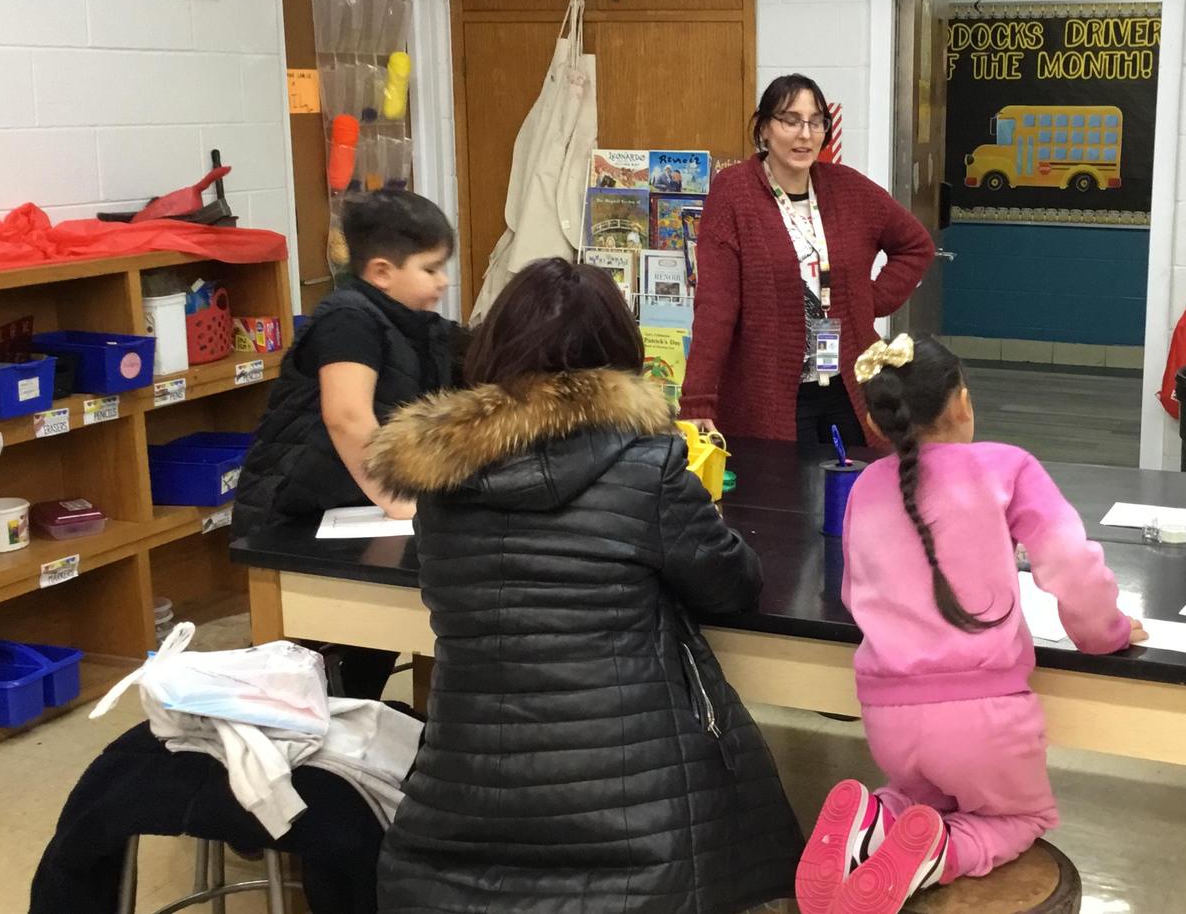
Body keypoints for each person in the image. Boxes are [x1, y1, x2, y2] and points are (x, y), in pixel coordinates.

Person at [365, 258, 803, 914]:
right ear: (618, 354)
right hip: (639, 838)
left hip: (464, 818)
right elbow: (732, 585)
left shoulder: (439, 479)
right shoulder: (645, 467)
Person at [795, 335, 1141, 914]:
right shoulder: (1007, 466)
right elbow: (1070, 564)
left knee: (918, 797)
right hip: (987, 718)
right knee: (1018, 817)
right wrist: (1107, 633)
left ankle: (874, 818)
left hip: (888, 718)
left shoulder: (865, 488)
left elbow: (857, 595)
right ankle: (940, 854)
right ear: (961, 404)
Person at [233, 189, 458, 698]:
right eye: (431, 269)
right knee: (312, 674)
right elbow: (347, 416)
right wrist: (399, 499)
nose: (443, 282)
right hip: (297, 510)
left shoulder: (413, 325)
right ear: (381, 271)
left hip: (351, 506)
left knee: (368, 653)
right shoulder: (348, 319)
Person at [682, 74, 935, 446]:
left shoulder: (847, 188)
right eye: (790, 120)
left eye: (815, 121)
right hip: (770, 390)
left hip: (847, 381)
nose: (804, 134)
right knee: (782, 496)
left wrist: (868, 302)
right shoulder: (734, 192)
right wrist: (697, 399)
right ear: (764, 128)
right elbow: (716, 306)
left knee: (856, 489)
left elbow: (916, 245)